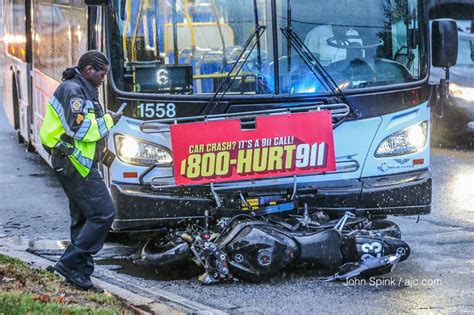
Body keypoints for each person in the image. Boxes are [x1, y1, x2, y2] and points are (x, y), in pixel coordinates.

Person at [39, 50, 122, 290]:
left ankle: (80, 274)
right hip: (74, 163)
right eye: (101, 73)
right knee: (104, 213)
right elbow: (80, 131)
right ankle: (67, 264)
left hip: (78, 162)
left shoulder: (83, 89)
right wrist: (109, 120)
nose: (103, 78)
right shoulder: (73, 92)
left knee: (84, 218)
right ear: (88, 70)